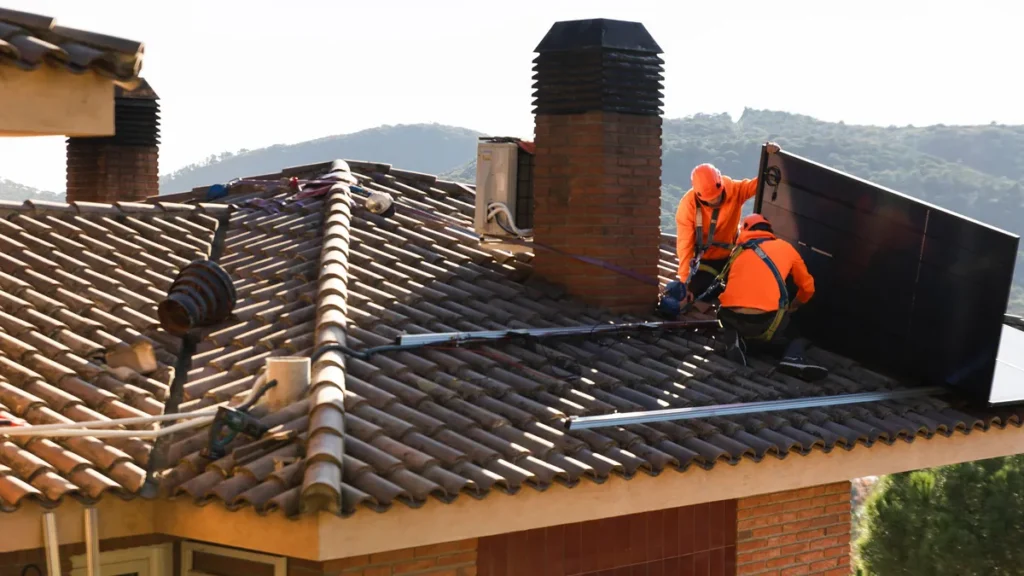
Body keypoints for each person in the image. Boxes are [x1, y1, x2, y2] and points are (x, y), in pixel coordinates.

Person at [715, 213, 828, 382]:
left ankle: (737, 338)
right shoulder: (786, 248)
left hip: (728, 316)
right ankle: (793, 358)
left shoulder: (738, 251)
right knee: (794, 334)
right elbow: (808, 287)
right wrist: (795, 304)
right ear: (769, 230)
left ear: (744, 230)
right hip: (765, 321)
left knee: (748, 325)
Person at [671, 142, 781, 307]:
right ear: (698, 195)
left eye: (717, 196)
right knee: (696, 293)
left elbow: (758, 184)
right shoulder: (688, 206)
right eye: (709, 201)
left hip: (730, 257)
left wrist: (772, 157)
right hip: (704, 261)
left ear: (721, 185)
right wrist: (684, 282)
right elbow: (684, 244)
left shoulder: (734, 190)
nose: (715, 201)